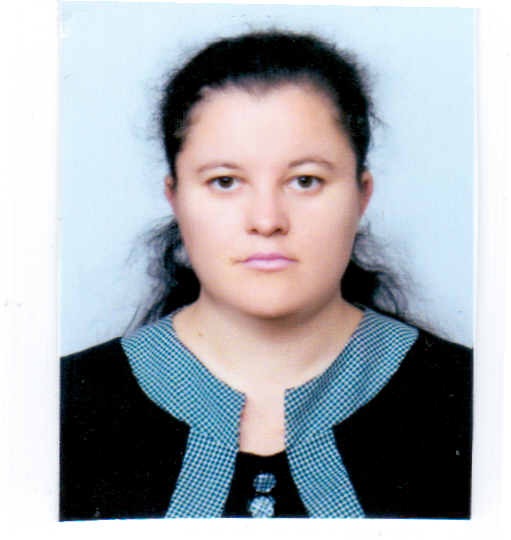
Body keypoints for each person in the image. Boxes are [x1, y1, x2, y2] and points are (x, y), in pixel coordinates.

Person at [60, 31, 472, 520]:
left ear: (362, 195)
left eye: (305, 181)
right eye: (225, 182)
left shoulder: (475, 397)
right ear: (175, 197)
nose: (267, 220)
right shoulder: (63, 402)